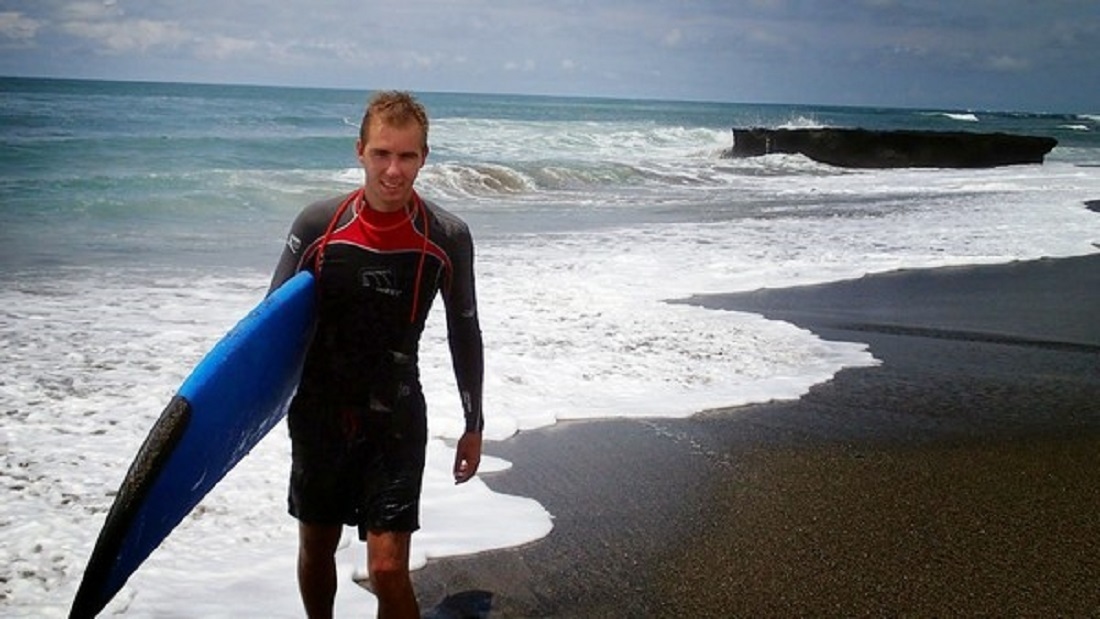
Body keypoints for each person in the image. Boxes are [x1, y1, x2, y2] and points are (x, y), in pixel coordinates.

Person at [268, 91, 484, 619]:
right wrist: (245, 416)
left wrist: (473, 424)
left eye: (407, 156)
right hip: (320, 413)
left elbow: (464, 331)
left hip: (396, 415)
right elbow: (269, 324)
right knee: (317, 547)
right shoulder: (318, 225)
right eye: (382, 153)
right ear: (360, 150)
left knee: (388, 569)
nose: (393, 170)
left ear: (424, 158)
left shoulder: (447, 237)